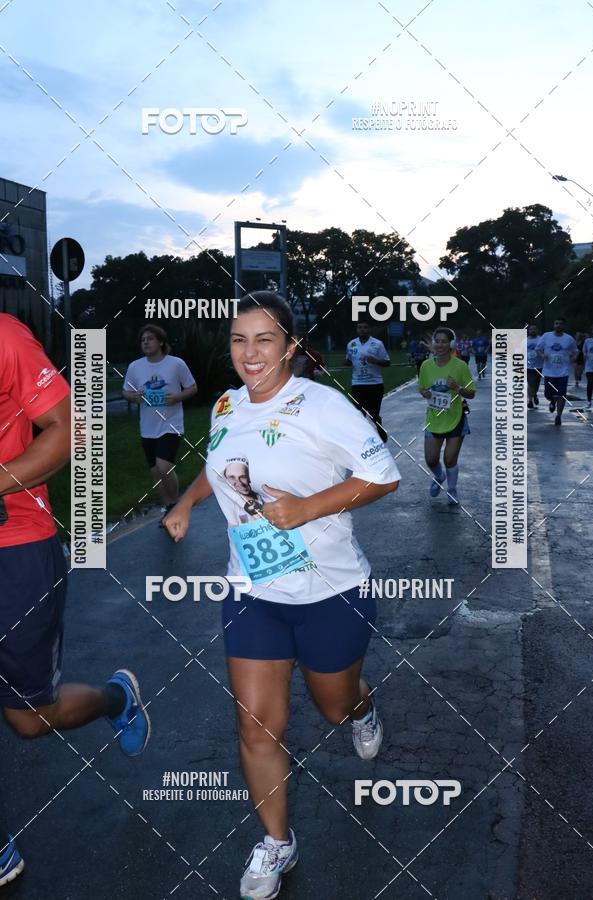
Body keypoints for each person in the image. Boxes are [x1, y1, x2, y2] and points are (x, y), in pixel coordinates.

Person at [164, 292, 400, 900]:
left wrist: (307, 508)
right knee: (256, 727)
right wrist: (188, 503)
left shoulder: (325, 407)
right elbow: (221, 464)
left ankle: (362, 705)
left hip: (330, 589)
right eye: (240, 340)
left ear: (290, 346)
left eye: (264, 339)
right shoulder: (224, 404)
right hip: (253, 590)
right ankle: (277, 841)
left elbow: (384, 474)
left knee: (333, 706)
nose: (250, 352)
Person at [0, 314, 150, 887]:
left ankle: (117, 698)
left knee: (30, 719)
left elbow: (68, 429)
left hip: (15, 548)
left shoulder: (7, 339)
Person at [122, 325, 197, 518]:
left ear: (161, 342)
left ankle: (174, 504)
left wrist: (177, 397)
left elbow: (192, 387)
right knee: (156, 472)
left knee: (164, 467)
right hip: (147, 427)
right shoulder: (135, 367)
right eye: (143, 340)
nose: (146, 342)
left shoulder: (176, 364)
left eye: (150, 339)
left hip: (171, 424)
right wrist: (134, 397)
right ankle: (168, 507)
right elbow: (126, 391)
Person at [418, 326, 476, 506]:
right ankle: (439, 476)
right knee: (431, 459)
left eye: (444, 341)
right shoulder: (426, 366)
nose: (440, 345)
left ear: (451, 344)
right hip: (434, 419)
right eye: (438, 341)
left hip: (455, 418)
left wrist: (457, 388)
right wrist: (425, 393)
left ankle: (452, 490)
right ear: (433, 343)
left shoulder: (460, 366)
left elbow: (471, 393)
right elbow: (422, 388)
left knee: (450, 459)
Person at [345, 321, 391, 442]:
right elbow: (349, 360)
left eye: (365, 327)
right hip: (357, 384)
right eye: (360, 327)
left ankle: (379, 425)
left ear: (369, 329)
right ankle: (361, 438)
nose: (362, 330)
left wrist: (376, 360)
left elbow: (387, 362)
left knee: (373, 413)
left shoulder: (377, 344)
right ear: (357, 329)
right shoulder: (351, 344)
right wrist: (346, 362)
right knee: (359, 413)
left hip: (375, 384)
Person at [535, 318, 578, 426]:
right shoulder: (546, 336)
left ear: (564, 326)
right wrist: (542, 355)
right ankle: (552, 401)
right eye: (556, 323)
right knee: (548, 394)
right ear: (553, 325)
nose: (558, 325)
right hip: (549, 371)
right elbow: (538, 348)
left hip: (563, 372)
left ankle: (558, 416)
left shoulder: (569, 338)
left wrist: (573, 359)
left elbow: (576, 351)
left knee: (561, 395)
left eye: (561, 324)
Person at [526, 324, 541, 409]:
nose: (533, 331)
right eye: (531, 329)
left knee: (537, 384)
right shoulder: (525, 341)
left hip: (539, 365)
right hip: (528, 366)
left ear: (537, 330)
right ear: (528, 331)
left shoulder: (541, 339)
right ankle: (530, 400)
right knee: (531, 383)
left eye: (534, 329)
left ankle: (534, 395)